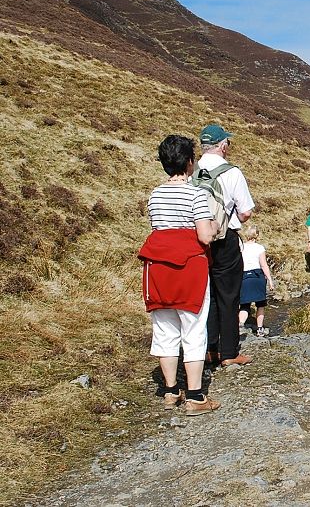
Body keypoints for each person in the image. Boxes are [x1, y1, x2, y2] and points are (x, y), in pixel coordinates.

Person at [137, 134, 220, 415]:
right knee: (193, 329)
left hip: (157, 266)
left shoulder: (155, 194)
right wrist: (215, 226)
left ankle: (171, 390)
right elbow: (204, 236)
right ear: (189, 162)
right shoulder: (196, 194)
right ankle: (196, 396)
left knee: (164, 328)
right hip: (189, 267)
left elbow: (160, 227)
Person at [197, 124, 255, 367]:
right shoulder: (232, 172)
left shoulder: (192, 170)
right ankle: (229, 352)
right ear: (222, 145)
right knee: (229, 294)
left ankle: (208, 349)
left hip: (198, 240)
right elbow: (245, 212)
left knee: (205, 294)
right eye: (227, 143)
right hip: (225, 238)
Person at [239, 225, 275, 337]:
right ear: (257, 235)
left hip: (244, 277)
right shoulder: (260, 248)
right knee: (260, 304)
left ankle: (240, 325)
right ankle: (260, 329)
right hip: (257, 276)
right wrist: (270, 280)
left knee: (244, 305)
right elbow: (264, 265)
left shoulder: (241, 247)